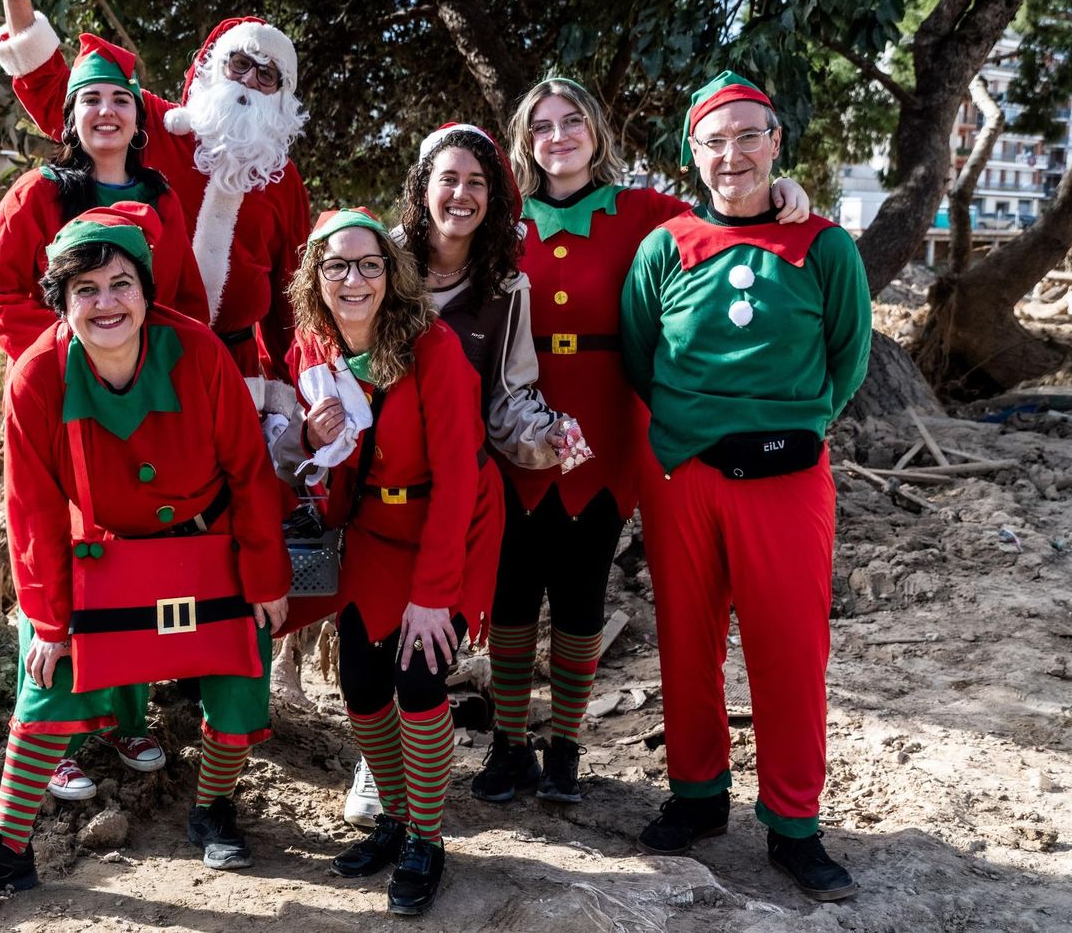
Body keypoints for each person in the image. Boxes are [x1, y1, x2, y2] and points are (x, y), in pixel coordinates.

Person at [0, 205, 291, 908]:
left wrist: (265, 574)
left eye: (121, 283)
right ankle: (7, 848)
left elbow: (249, 469)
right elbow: (31, 511)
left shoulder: (199, 352)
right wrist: (49, 621)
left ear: (147, 291)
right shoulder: (36, 376)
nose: (106, 303)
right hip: (104, 554)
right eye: (84, 290)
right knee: (47, 681)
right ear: (62, 302)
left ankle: (212, 808)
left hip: (207, 543)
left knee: (241, 682)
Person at [468, 78, 813, 806]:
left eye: (572, 121)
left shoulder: (646, 212)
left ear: (596, 131)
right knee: (511, 595)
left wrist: (785, 193)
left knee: (582, 593)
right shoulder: (501, 220)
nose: (558, 136)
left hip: (607, 428)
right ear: (525, 141)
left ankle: (565, 748)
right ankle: (509, 745)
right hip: (512, 420)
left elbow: (728, 220)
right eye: (541, 126)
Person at [619, 71, 870, 901]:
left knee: (790, 651)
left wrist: (794, 426)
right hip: (684, 473)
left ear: (776, 143)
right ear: (693, 154)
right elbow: (639, 354)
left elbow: (848, 357)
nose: (733, 155)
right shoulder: (665, 246)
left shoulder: (824, 246)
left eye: (748, 136)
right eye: (715, 141)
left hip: (787, 476)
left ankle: (795, 826)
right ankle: (697, 795)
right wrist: (696, 428)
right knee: (687, 640)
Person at [0, 32, 206, 800]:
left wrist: (165, 375)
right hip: (63, 402)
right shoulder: (39, 193)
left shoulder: (164, 199)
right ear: (70, 117)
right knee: (60, 552)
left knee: (130, 548)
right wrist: (64, 352)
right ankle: (57, 734)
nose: (106, 112)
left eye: (119, 101)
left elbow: (181, 301)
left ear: (139, 118)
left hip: (141, 399)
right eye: (91, 100)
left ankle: (126, 717)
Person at [337, 123, 591, 827]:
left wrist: (548, 438)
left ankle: (421, 814)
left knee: (426, 649)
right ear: (422, 188)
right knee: (368, 648)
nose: (461, 194)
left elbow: (507, 397)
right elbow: (331, 348)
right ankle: (378, 764)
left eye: (477, 182)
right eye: (447, 178)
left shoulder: (506, 284)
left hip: (458, 491)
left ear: (495, 197)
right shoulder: (378, 260)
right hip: (374, 486)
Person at [0, 0, 310, 393]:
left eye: (267, 75)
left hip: (235, 370)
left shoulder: (282, 179)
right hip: (126, 357)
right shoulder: (153, 123)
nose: (249, 81)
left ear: (282, 97)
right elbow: (62, 97)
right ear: (211, 69)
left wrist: (292, 394)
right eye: (239, 64)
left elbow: (292, 303)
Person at [276, 208, 503, 917]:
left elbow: (460, 479)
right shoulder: (313, 347)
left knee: (419, 678)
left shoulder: (433, 347)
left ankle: (427, 840)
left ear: (390, 274)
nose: (354, 278)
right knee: (362, 682)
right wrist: (313, 440)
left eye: (369, 264)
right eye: (337, 265)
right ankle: (397, 820)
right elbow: (323, 470)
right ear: (314, 277)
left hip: (448, 526)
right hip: (375, 530)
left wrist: (433, 594)